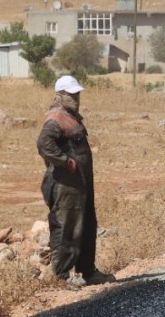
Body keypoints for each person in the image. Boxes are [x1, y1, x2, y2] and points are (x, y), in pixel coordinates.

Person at [36, 75, 112, 288]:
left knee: (87, 225)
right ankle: (62, 276)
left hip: (80, 184)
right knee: (66, 227)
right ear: (60, 95)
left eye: (77, 93)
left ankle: (88, 272)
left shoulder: (71, 116)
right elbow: (44, 143)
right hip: (65, 185)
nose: (76, 97)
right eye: (71, 94)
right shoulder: (56, 117)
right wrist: (65, 162)